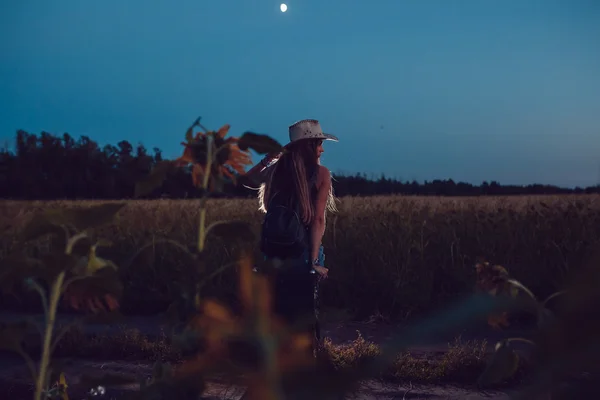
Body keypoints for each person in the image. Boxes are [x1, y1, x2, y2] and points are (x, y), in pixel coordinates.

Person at [245, 119, 338, 352]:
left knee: (275, 311)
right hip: (302, 251)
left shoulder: (276, 170)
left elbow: (247, 180)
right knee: (305, 315)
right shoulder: (321, 174)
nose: (322, 149)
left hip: (271, 251)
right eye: (319, 144)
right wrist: (314, 262)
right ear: (310, 146)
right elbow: (317, 220)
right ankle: (305, 369)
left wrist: (270, 159)